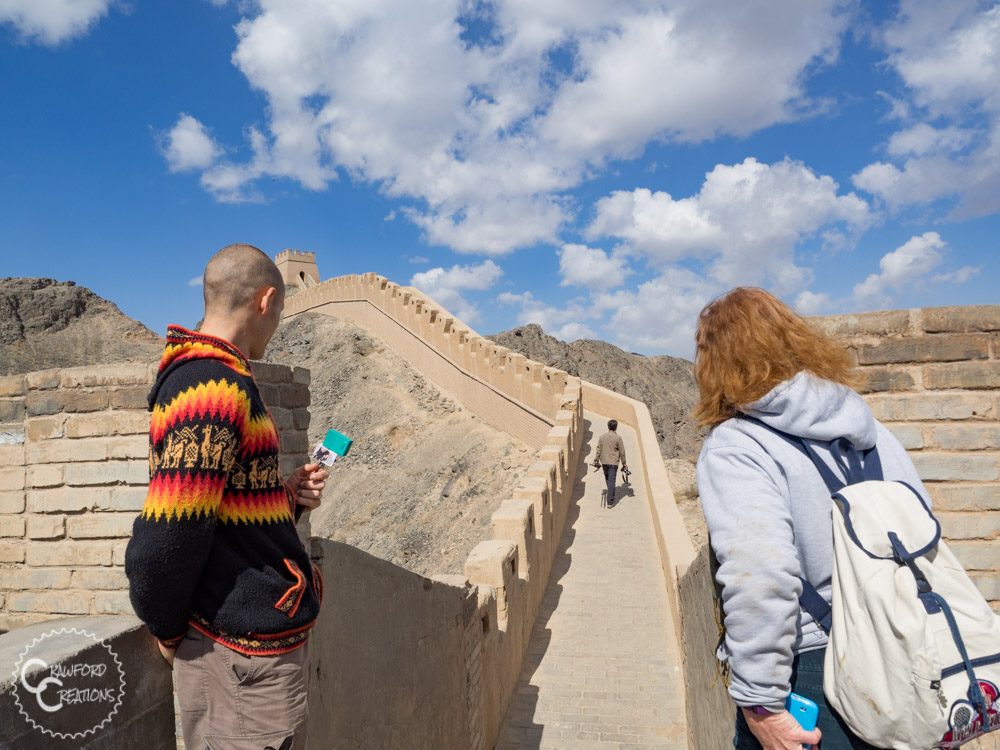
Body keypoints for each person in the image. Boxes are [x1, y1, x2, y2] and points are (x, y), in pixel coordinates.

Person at [694, 287, 929, 750]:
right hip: (905, 654)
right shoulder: (872, 431)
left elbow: (760, 575)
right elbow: (923, 533)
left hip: (814, 671)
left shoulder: (738, 446)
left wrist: (762, 703)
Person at [125, 244, 329, 750]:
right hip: (241, 664)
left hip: (250, 657)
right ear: (266, 300)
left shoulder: (225, 378)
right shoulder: (210, 387)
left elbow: (222, 507)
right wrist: (166, 625)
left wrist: (286, 498)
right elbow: (169, 533)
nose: (277, 324)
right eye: (280, 311)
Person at [593, 419, 628, 507]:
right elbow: (622, 452)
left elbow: (598, 449)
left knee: (608, 480)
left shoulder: (602, 437)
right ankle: (610, 501)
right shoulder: (618, 438)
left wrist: (596, 460)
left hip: (604, 462)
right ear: (616, 427)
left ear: (608, 426)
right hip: (613, 463)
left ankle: (610, 494)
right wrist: (624, 463)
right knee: (611, 481)